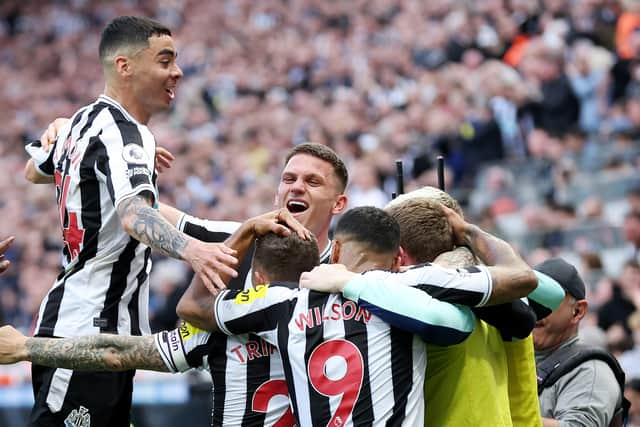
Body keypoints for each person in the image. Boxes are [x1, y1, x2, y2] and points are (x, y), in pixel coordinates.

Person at [0, 207, 476, 426]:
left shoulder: (236, 318)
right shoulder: (386, 303)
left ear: (258, 273)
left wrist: (27, 347)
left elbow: (116, 352)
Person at [21, 16, 237, 427]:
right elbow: (134, 216)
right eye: (165, 60)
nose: (177, 72)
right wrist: (194, 252)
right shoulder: (124, 133)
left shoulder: (82, 123)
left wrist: (74, 144)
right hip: (87, 332)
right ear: (125, 66)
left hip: (98, 331)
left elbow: (33, 171)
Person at [533, 258, 623, 427]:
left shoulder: (590, 370)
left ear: (577, 311)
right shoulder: (513, 355)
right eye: (529, 298)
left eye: (546, 298)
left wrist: (507, 418)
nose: (534, 308)